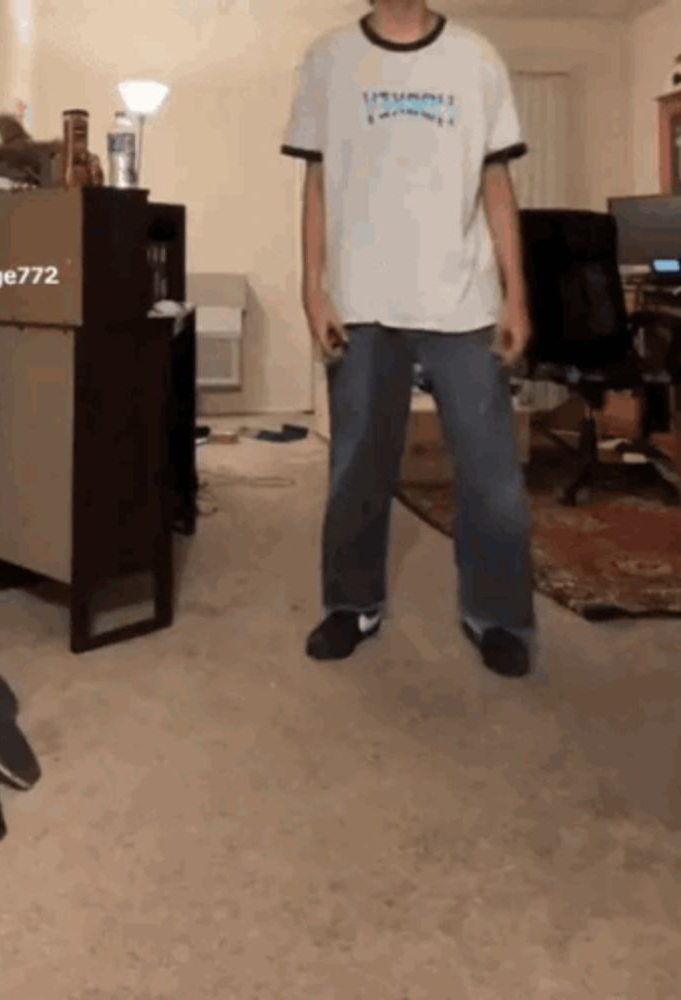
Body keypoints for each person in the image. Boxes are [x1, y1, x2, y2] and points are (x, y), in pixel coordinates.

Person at [281, 0, 536, 677]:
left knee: (491, 475)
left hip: (465, 299)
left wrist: (516, 292)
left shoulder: (476, 57)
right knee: (357, 466)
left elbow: (497, 184)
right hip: (363, 299)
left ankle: (498, 613)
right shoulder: (328, 58)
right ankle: (351, 602)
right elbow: (314, 184)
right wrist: (313, 285)